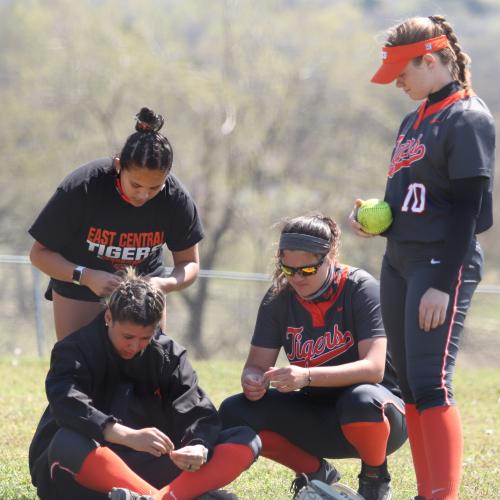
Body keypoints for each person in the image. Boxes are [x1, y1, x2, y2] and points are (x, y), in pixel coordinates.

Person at [350, 15, 495, 500]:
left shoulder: (468, 116)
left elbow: (474, 212)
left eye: (403, 70)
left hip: (439, 264)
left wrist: (443, 282)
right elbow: (415, 196)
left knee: (432, 383)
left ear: (430, 59)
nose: (398, 80)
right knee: (409, 384)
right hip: (400, 259)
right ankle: (426, 491)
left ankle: (443, 495)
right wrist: (380, 218)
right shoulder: (413, 120)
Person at [28, 268, 260, 500]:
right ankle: (178, 496)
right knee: (66, 441)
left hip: (150, 468)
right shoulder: (74, 349)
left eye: (145, 338)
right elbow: (66, 403)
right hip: (85, 467)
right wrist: (126, 435)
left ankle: (157, 497)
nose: (135, 346)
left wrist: (198, 446)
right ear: (109, 317)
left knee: (245, 438)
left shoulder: (169, 355)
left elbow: (196, 410)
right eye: (128, 337)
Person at [219, 214, 407, 500]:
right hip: (316, 410)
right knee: (236, 412)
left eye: (307, 270)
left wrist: (306, 376)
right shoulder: (279, 297)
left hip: (380, 413)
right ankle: (315, 473)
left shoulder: (360, 288)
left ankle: (374, 478)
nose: (295, 278)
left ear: (329, 256)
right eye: (287, 268)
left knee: (360, 400)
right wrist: (253, 381)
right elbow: (255, 366)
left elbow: (374, 369)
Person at [29, 107, 204, 340]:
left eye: (154, 188)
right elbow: (39, 254)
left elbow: (190, 264)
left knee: (146, 372)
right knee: (77, 368)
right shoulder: (83, 187)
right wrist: (87, 276)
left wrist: (164, 284)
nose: (143, 195)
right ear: (119, 165)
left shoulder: (175, 198)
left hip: (143, 296)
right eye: (136, 185)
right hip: (80, 287)